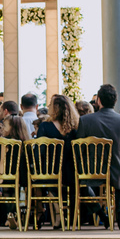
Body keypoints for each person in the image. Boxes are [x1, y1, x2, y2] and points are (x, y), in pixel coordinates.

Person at [74, 84, 120, 230]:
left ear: (98, 100)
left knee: (81, 182)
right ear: (115, 101)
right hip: (117, 171)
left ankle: (101, 214)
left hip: (92, 171)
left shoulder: (85, 120)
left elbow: (79, 149)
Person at [36, 95, 80, 227]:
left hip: (51, 171)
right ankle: (73, 217)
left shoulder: (45, 126)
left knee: (45, 175)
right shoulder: (75, 127)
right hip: (71, 172)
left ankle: (56, 215)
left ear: (54, 108)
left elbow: (40, 151)